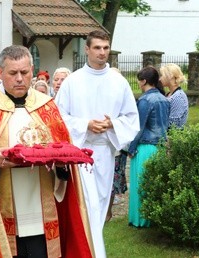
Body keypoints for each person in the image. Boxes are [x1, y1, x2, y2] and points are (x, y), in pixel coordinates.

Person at [0, 45, 93, 257]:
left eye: (24, 73)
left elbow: (62, 151)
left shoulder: (46, 106)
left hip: (42, 205)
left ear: (32, 71)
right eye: (13, 73)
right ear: (1, 72)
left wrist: (62, 165)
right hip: (1, 204)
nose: (19, 79)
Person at [55, 30, 139, 258]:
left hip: (105, 152)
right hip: (80, 154)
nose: (102, 52)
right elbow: (58, 118)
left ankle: (92, 249)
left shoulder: (118, 82)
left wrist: (113, 123)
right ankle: (90, 252)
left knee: (101, 204)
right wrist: (85, 125)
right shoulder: (72, 82)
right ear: (87, 49)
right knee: (87, 205)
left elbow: (131, 118)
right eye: (97, 48)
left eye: (106, 48)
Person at [128, 66, 170, 227]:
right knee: (153, 184)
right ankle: (154, 218)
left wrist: (131, 148)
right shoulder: (164, 99)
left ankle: (141, 220)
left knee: (141, 185)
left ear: (144, 81)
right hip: (159, 147)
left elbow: (139, 127)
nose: (138, 83)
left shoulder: (145, 100)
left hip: (145, 147)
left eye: (139, 80)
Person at [159, 63, 188, 129]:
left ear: (170, 76)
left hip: (173, 137)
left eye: (162, 75)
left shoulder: (178, 97)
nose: (160, 79)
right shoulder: (169, 94)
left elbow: (174, 124)